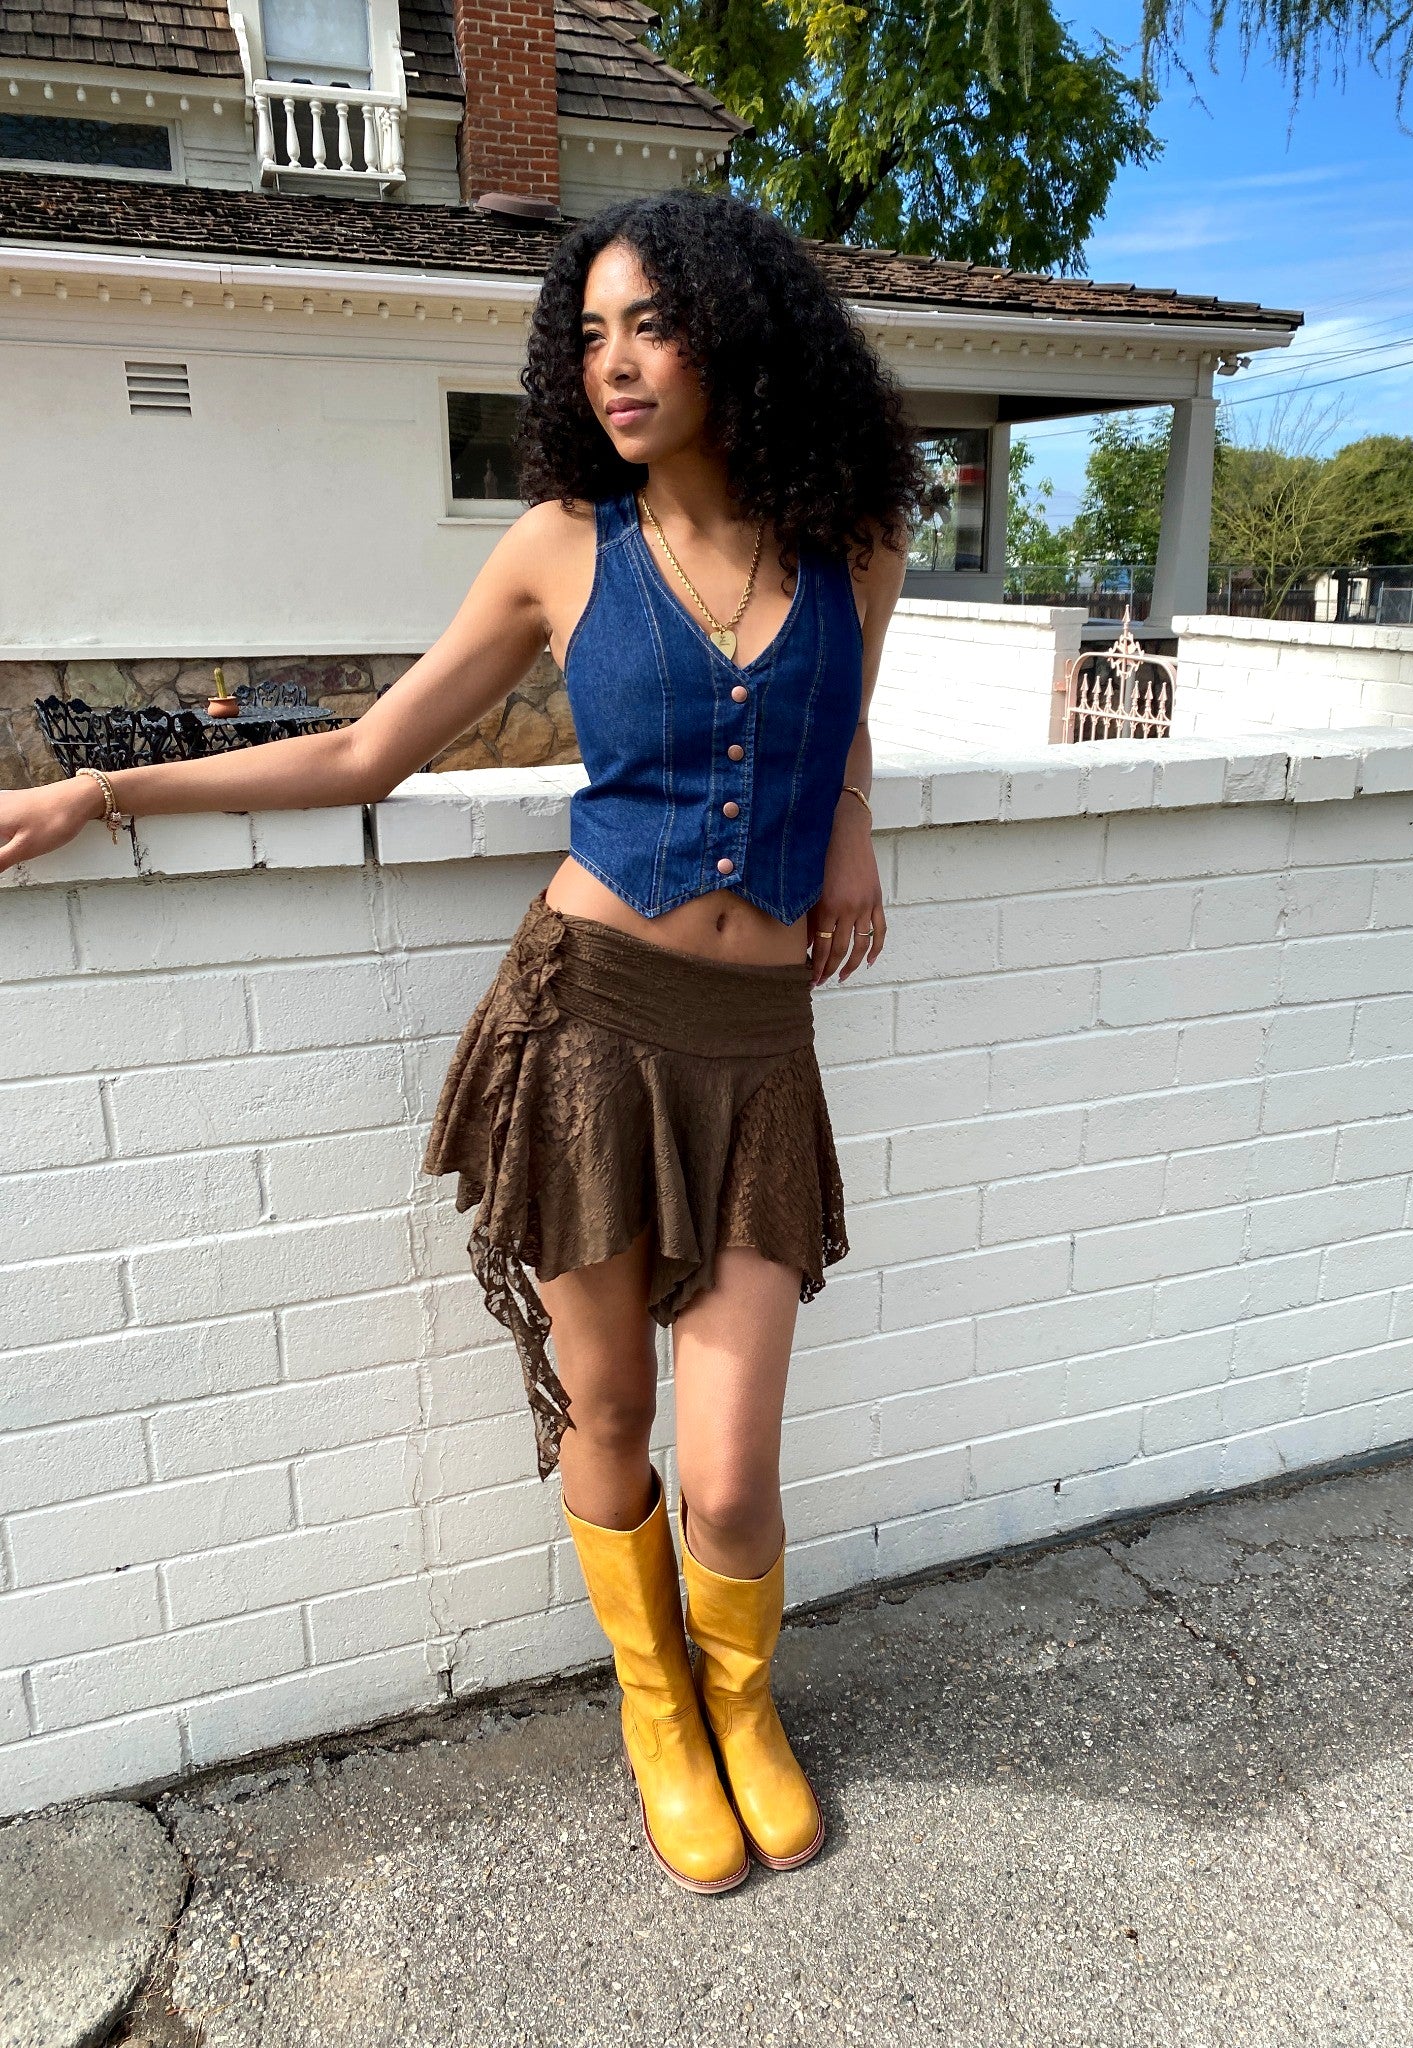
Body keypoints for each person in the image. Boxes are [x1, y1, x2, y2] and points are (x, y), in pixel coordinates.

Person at [0, 188, 922, 1894]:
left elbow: (842, 698)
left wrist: (850, 817)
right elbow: (366, 756)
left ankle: (744, 1700)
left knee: (732, 1475)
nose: (618, 363)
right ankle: (662, 1714)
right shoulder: (564, 549)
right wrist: (107, 788)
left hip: (756, 1043)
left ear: (741, 329)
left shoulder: (854, 532)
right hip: (589, 1024)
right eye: (591, 336)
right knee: (613, 1410)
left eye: (653, 324)